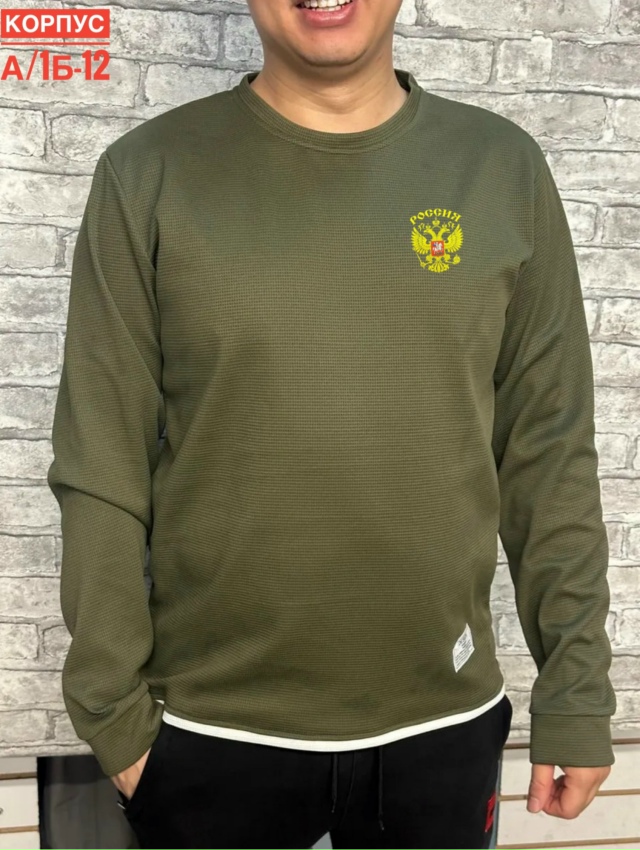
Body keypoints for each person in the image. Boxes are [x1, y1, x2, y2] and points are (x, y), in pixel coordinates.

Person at [46, 0, 616, 847]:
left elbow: (549, 450)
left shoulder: (502, 170)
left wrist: (576, 692)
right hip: (208, 734)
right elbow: (102, 460)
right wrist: (115, 718)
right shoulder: (148, 173)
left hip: (443, 727)